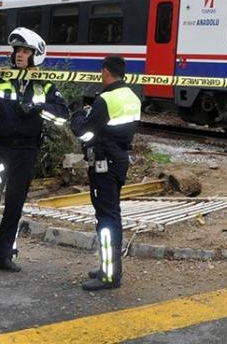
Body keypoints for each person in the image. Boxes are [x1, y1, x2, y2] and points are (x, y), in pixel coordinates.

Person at [0, 27, 69, 281]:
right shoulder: (0, 78)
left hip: (25, 151)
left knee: (15, 205)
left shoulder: (44, 85)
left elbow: (62, 117)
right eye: (17, 51)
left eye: (25, 51)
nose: (19, 55)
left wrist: (38, 107)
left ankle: (3, 257)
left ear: (36, 55)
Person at [70, 55, 141, 291]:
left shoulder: (105, 99)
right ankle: (107, 267)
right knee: (111, 215)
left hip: (104, 163)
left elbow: (83, 132)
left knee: (107, 219)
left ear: (105, 72)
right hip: (119, 159)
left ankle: (109, 276)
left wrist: (77, 112)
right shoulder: (132, 96)